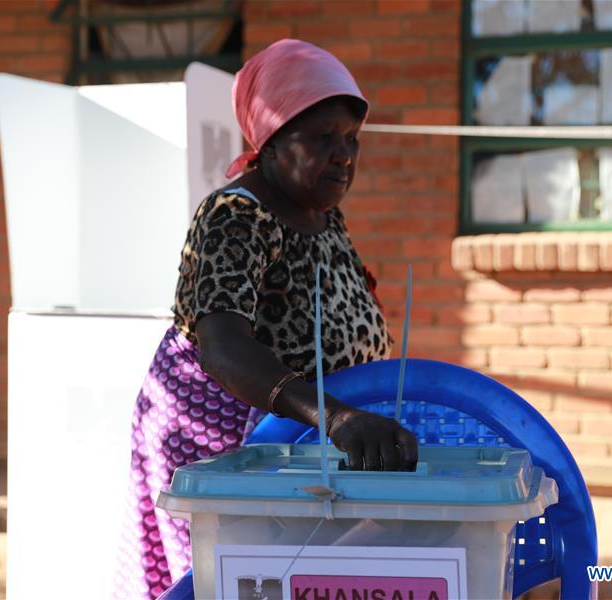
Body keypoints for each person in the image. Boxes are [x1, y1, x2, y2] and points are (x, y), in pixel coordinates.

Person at [113, 38, 418, 600]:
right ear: (271, 142)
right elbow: (224, 350)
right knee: (223, 584)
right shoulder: (235, 215)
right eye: (322, 138)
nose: (344, 155)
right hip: (218, 448)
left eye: (351, 139)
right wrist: (338, 418)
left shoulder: (323, 216)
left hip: (299, 448)